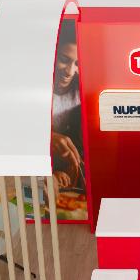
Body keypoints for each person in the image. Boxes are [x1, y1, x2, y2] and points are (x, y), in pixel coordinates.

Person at [50, 20, 84, 191]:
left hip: (65, 173)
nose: (70, 72)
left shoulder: (82, 90)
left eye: (77, 64)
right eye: (64, 60)